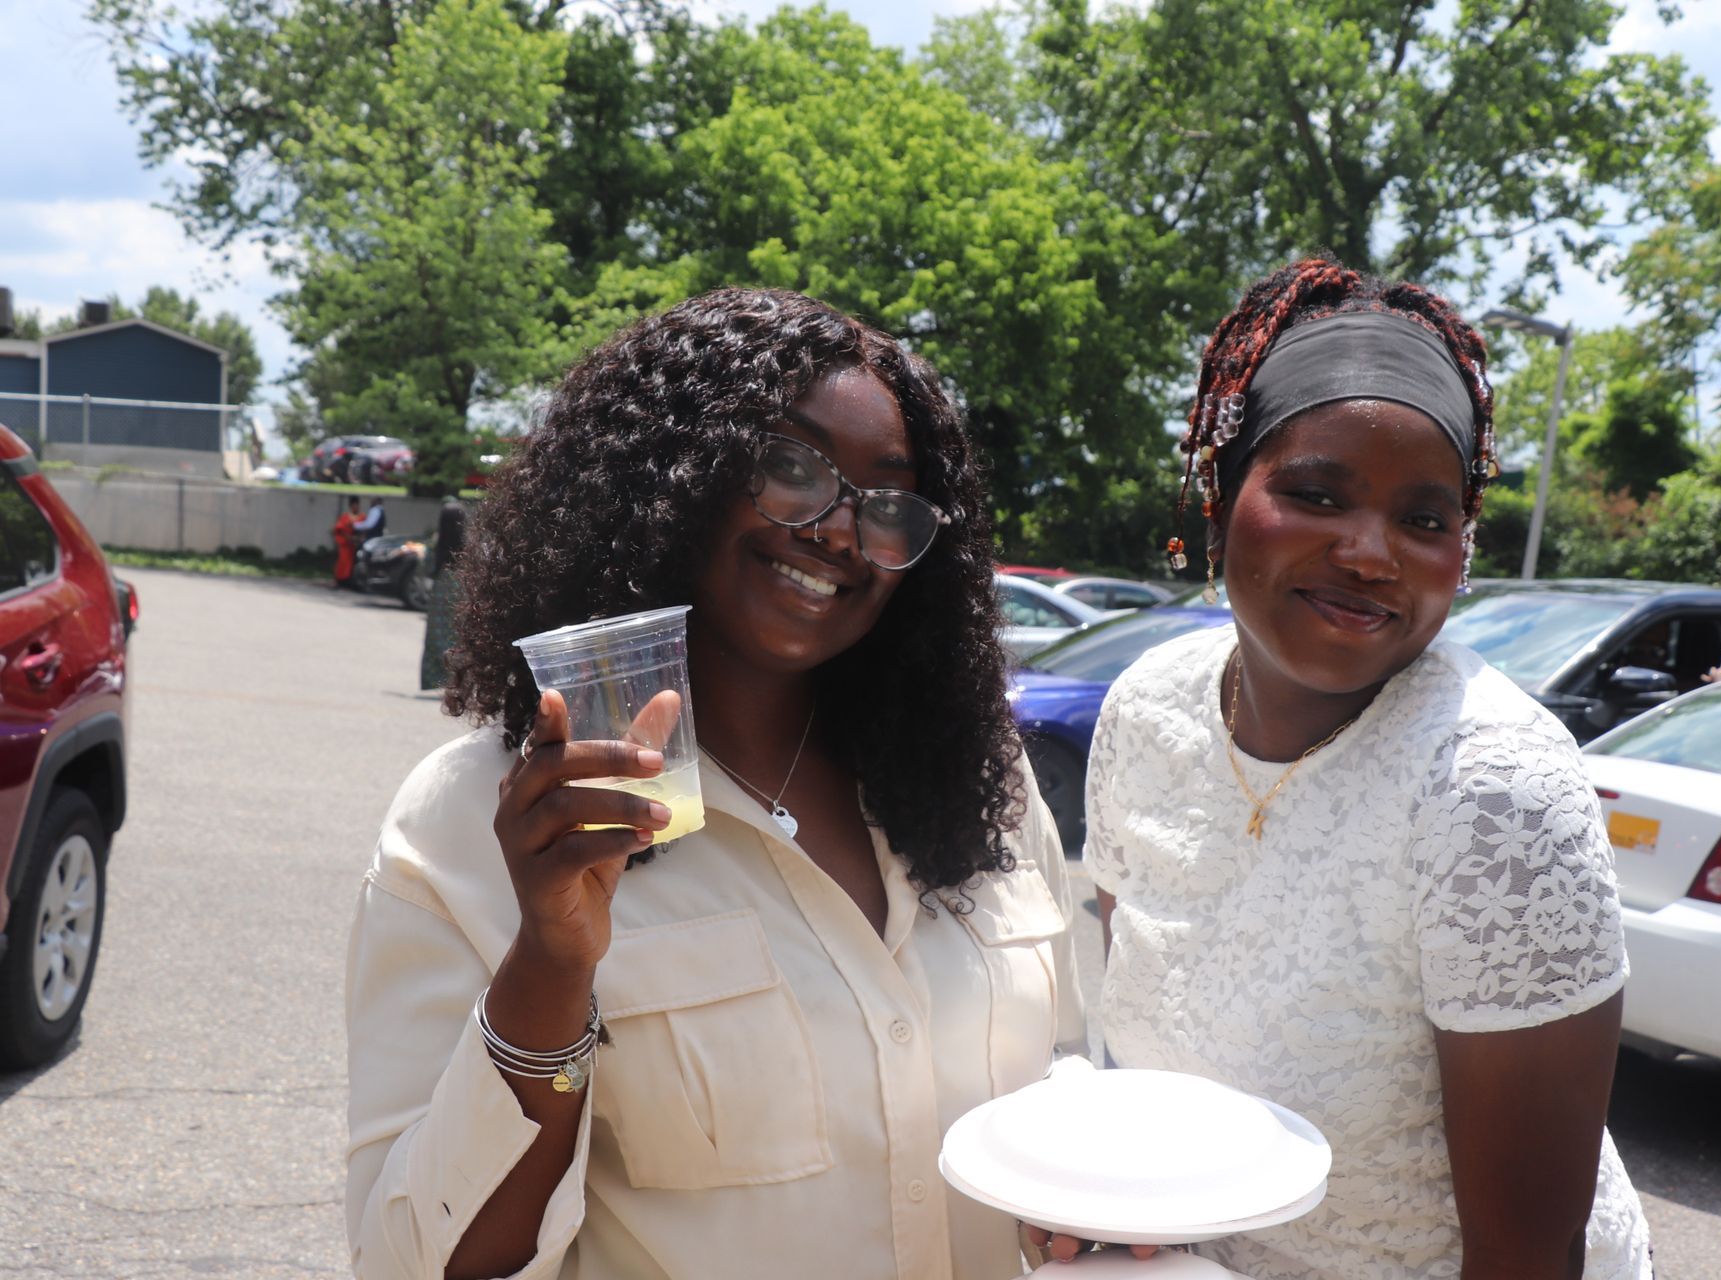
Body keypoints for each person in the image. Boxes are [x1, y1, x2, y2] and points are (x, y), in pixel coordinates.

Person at [345, 287, 1083, 1280]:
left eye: (886, 504)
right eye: (789, 466)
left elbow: (1064, 1089)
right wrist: (551, 971)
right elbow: (411, 1260)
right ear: (669, 473)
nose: (836, 529)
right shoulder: (480, 817)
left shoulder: (978, 790)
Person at [1067, 259, 1652, 1276]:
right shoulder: (1148, 707)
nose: (1371, 551)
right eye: (1315, 492)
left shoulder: (1488, 788)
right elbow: (1156, 1052)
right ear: (1222, 491)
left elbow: (1527, 1252)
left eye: (1425, 520)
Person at [419, 496, 467, 690]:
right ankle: (460, 681)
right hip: (462, 592)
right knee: (458, 638)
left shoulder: (438, 545)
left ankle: (438, 680)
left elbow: (425, 568)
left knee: (437, 639)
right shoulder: (468, 545)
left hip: (441, 591)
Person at [332, 496, 362, 589]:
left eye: (357, 505)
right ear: (350, 506)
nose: (355, 507)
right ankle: (340, 580)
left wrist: (357, 539)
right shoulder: (345, 517)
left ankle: (350, 582)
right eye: (353, 506)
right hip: (346, 545)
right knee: (343, 562)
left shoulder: (362, 517)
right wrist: (349, 538)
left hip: (356, 545)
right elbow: (339, 529)